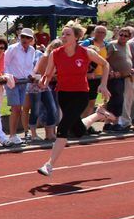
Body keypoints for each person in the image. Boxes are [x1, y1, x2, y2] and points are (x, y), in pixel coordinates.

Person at [36, 27, 115, 176]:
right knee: (77, 130)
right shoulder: (55, 53)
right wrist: (43, 80)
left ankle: (49, 165)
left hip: (80, 94)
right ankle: (98, 115)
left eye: (68, 34)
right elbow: (48, 73)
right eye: (63, 34)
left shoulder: (85, 52)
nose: (64, 37)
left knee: (63, 127)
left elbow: (105, 65)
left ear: (76, 37)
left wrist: (103, 84)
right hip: (64, 94)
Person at [3, 28, 37, 144]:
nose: (24, 39)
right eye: (23, 37)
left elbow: (29, 67)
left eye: (28, 37)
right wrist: (10, 76)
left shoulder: (32, 50)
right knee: (16, 108)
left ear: (32, 39)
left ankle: (15, 134)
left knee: (20, 109)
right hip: (13, 82)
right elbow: (4, 63)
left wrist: (30, 75)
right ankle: (12, 135)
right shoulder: (13, 49)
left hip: (24, 82)